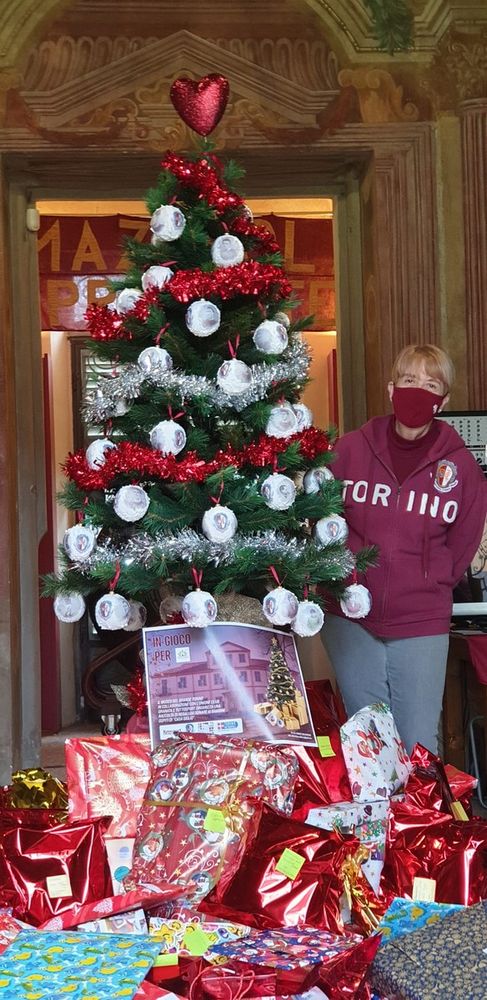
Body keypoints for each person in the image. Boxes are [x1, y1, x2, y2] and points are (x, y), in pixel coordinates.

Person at [321, 344, 487, 754]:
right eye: (410, 380)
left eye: (431, 384)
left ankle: (418, 818)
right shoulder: (349, 450)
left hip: (421, 620)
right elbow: (321, 518)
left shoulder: (460, 466)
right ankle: (379, 819)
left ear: (443, 400)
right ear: (392, 389)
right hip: (350, 615)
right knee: (369, 738)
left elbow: (466, 537)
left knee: (416, 740)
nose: (419, 391)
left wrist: (434, 583)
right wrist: (338, 579)